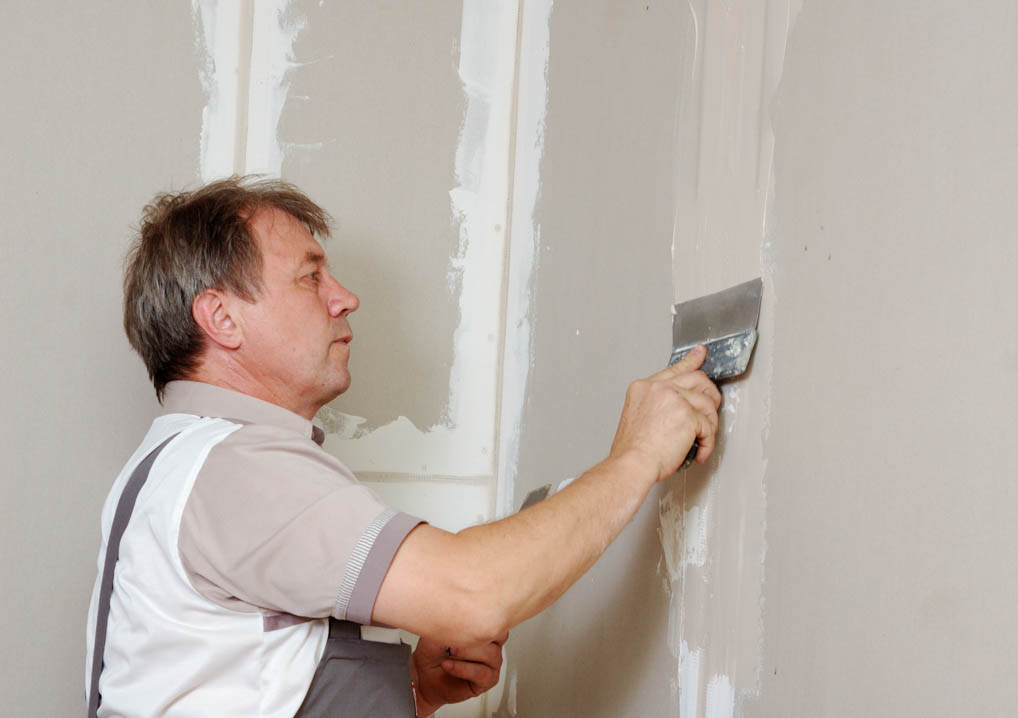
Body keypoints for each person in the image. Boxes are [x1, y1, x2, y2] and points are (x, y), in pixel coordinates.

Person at [85, 176, 722, 717]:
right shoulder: (234, 469)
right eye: (310, 277)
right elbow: (474, 592)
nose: (345, 298)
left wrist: (414, 689)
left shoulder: (187, 462)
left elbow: (249, 683)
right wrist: (637, 456)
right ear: (223, 319)